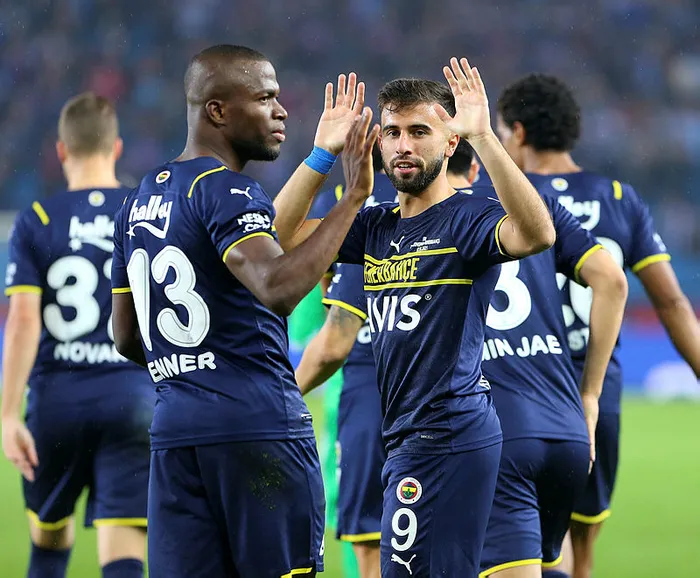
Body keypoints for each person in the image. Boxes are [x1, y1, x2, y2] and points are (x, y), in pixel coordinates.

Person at [274, 57, 556, 577]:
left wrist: (485, 137)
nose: (403, 145)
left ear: (450, 144)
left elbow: (538, 234)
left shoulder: (467, 217)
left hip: (445, 433)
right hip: (408, 434)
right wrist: (322, 154)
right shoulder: (373, 226)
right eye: (393, 132)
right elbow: (280, 234)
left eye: (420, 132)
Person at [110, 44, 379, 578]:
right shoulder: (227, 189)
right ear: (218, 110)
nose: (281, 110)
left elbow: (126, 338)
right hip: (259, 431)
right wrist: (352, 200)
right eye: (264, 98)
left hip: (176, 432)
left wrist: (320, 157)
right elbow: (277, 287)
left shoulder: (135, 202)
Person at [496, 73, 700, 578]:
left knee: (519, 547)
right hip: (597, 390)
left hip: (520, 390)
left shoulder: (507, 199)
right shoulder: (618, 197)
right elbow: (672, 302)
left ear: (518, 132)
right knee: (580, 554)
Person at [295, 140, 480, 578]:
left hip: (369, 385)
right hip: (458, 394)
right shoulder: (481, 212)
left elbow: (335, 332)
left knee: (370, 540)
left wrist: (281, 397)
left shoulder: (367, 214)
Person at [1, 92, 153, 578]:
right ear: (116, 148)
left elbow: (23, 320)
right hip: (133, 399)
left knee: (49, 538)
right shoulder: (141, 212)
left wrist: (7, 414)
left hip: (57, 402)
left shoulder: (38, 219)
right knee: (123, 547)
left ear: (61, 150)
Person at [473, 188, 627, 578]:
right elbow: (613, 281)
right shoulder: (539, 207)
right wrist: (589, 395)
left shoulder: (432, 220)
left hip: (497, 433)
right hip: (568, 429)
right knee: (547, 563)